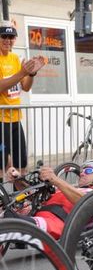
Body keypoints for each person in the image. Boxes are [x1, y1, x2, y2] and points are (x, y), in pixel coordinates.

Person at [3, 159, 93, 240]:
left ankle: (13, 221)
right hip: (37, 216)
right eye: (82, 171)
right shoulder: (67, 189)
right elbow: (34, 196)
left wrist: (55, 179)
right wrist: (17, 180)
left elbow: (85, 202)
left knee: (11, 218)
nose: (82, 173)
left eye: (88, 171)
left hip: (57, 225)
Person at [0, 24, 46, 177]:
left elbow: (25, 87)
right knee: (2, 166)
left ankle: (19, 198)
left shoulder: (15, 58)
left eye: (11, 37)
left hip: (15, 118)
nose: (7, 40)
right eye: (4, 37)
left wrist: (31, 74)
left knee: (21, 164)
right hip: (0, 120)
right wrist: (22, 72)